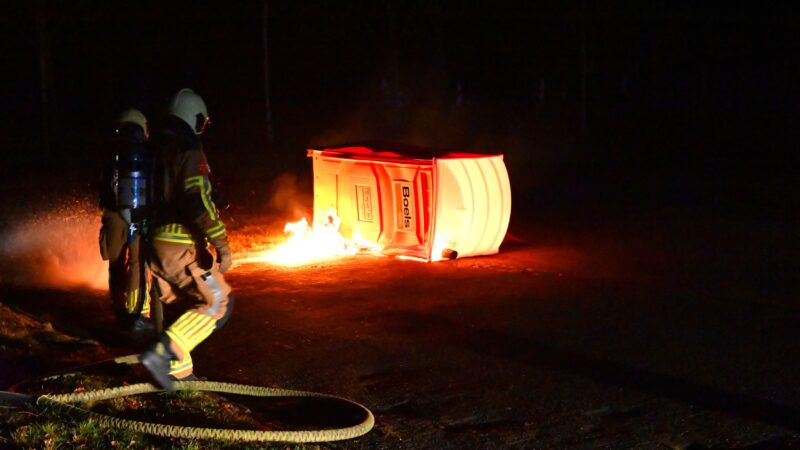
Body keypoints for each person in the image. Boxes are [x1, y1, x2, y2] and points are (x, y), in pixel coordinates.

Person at [139, 88, 234, 390]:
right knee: (218, 301)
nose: (202, 129)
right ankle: (162, 355)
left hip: (152, 244)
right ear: (192, 119)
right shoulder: (189, 152)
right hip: (178, 244)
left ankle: (179, 373)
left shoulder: (154, 150)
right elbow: (197, 202)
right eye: (202, 122)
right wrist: (222, 244)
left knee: (189, 303)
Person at [98, 108, 153, 336]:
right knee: (138, 263)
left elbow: (100, 183)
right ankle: (138, 314)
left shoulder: (109, 151)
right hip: (139, 212)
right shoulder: (146, 151)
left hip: (113, 213)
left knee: (115, 262)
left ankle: (119, 309)